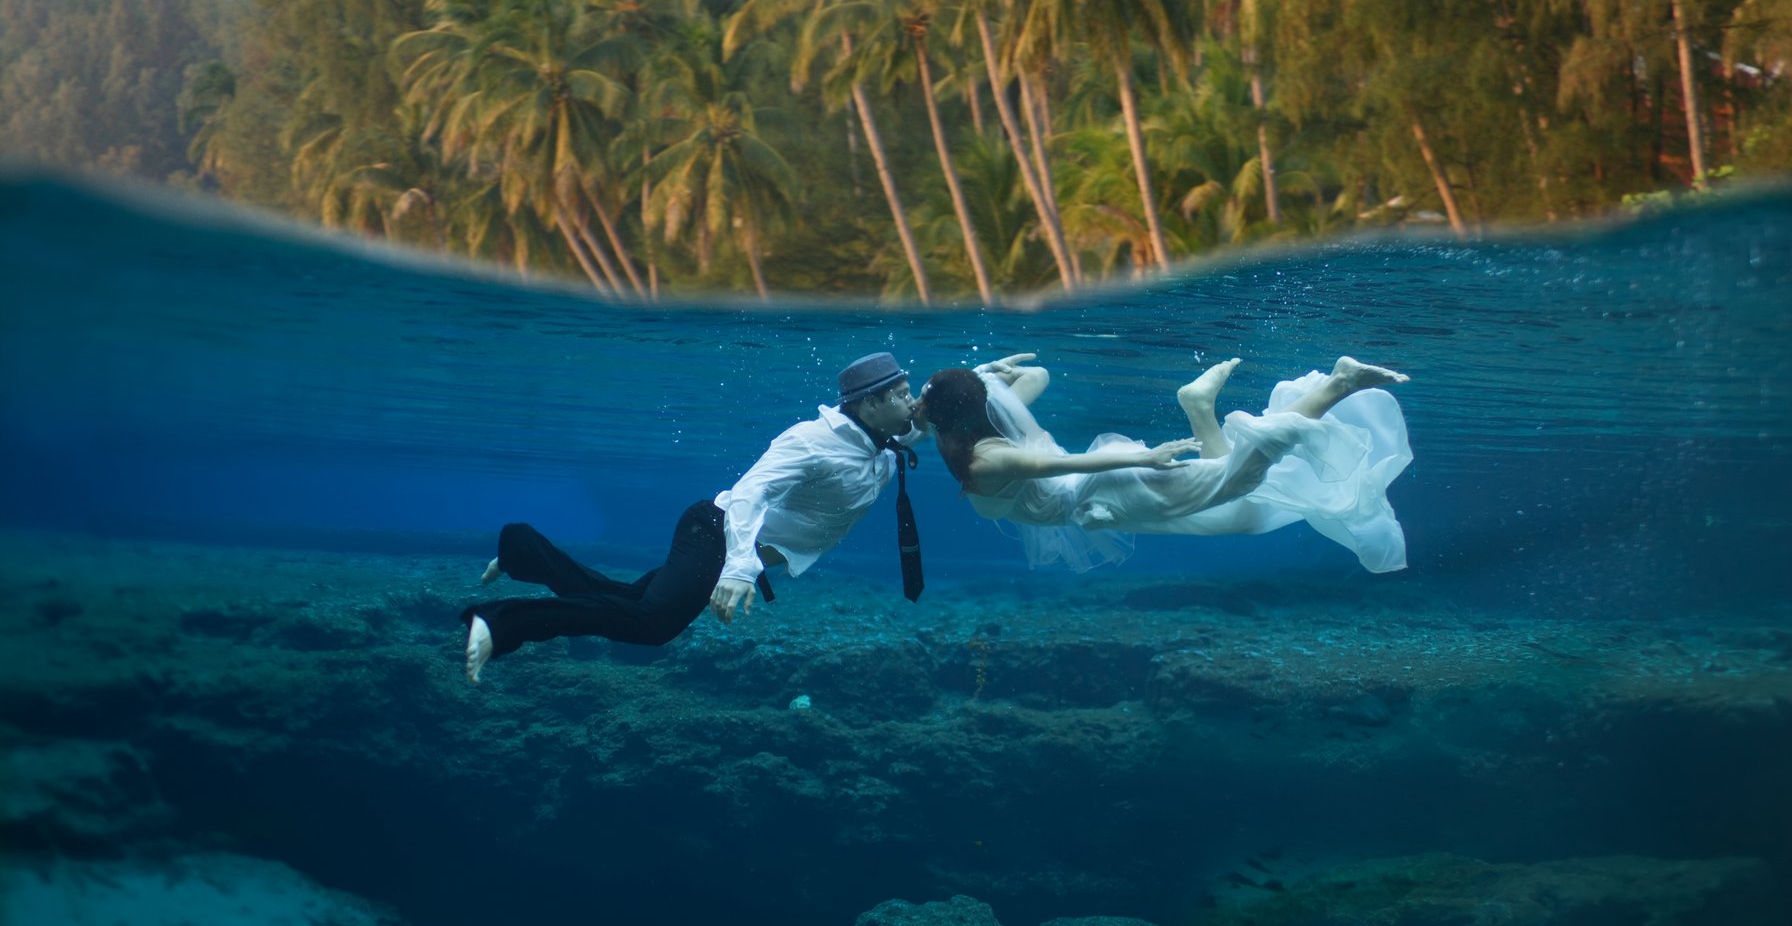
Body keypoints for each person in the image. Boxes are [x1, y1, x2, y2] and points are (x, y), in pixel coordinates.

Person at [462, 352, 927, 683]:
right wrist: (740, 569)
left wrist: (995, 378)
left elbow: (936, 412)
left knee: (620, 598)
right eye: (903, 395)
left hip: (726, 541)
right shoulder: (812, 441)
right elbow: (749, 494)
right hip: (714, 533)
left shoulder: (880, 442)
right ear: (870, 404)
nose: (911, 403)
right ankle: (502, 623)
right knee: (651, 625)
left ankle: (522, 550)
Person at [917, 353, 1412, 573]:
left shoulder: (981, 457)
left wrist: (1144, 456)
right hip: (1105, 480)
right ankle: (1199, 407)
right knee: (1233, 492)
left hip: (1108, 488)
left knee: (1235, 481)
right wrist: (991, 376)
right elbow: (1038, 377)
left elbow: (1057, 470)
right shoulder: (976, 433)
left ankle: (1336, 385)